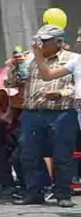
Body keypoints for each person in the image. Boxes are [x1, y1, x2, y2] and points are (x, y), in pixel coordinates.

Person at [19, 24, 81, 207]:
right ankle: (34, 192)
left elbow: (76, 86)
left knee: (63, 154)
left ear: (59, 42)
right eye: (39, 40)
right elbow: (16, 81)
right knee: (29, 153)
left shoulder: (73, 59)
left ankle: (63, 194)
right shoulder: (29, 58)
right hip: (33, 112)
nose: (40, 44)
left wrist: (61, 93)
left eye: (45, 41)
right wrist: (14, 68)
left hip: (62, 113)